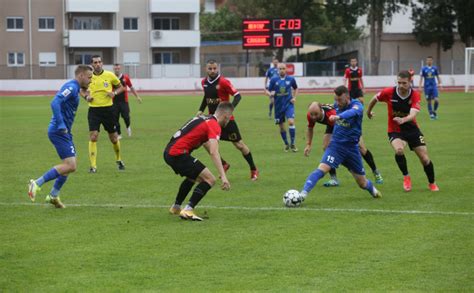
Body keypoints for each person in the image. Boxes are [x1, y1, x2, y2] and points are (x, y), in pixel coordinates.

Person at [299, 86, 382, 202]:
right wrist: (308, 144)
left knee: (362, 183)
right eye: (335, 100)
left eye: (339, 100)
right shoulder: (337, 105)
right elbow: (318, 116)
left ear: (347, 96)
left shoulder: (357, 105)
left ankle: (373, 190)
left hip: (352, 149)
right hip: (336, 146)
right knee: (321, 169)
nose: (337, 103)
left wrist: (339, 116)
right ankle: (302, 195)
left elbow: (353, 112)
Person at [28, 65, 93, 208]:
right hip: (59, 131)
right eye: (89, 77)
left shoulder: (76, 87)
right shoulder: (71, 87)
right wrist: (61, 124)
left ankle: (53, 195)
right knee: (71, 165)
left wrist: (87, 96)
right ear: (81, 75)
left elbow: (81, 91)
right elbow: (55, 102)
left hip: (64, 132)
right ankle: (36, 183)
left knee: (69, 165)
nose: (91, 80)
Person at [367, 70, 439, 192]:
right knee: (399, 150)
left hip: (412, 129)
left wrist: (404, 119)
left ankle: (432, 183)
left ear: (410, 82)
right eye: (399, 82)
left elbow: (413, 114)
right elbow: (375, 98)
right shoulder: (389, 92)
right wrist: (368, 112)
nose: (401, 86)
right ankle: (406, 177)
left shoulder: (415, 95)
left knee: (425, 159)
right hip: (395, 130)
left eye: (404, 83)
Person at [165, 102, 234, 221]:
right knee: (210, 179)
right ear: (225, 116)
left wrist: (221, 162)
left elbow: (206, 144)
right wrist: (223, 176)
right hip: (178, 154)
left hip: (169, 153)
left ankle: (176, 207)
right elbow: (213, 151)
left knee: (194, 177)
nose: (228, 121)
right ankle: (188, 209)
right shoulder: (214, 125)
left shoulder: (203, 118)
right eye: (229, 118)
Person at [197, 59, 259, 180]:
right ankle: (224, 164)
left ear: (218, 68)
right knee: (204, 142)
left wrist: (229, 110)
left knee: (239, 145)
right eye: (210, 68)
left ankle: (253, 169)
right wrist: (200, 110)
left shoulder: (224, 82)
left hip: (227, 121)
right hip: (213, 120)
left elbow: (238, 96)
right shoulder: (204, 82)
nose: (212, 70)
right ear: (206, 69)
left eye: (214, 68)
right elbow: (206, 97)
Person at [304, 102, 383, 187]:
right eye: (311, 114)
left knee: (362, 149)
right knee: (326, 147)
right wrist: (308, 144)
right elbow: (310, 128)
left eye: (316, 114)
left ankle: (376, 172)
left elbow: (346, 122)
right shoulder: (310, 115)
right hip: (332, 123)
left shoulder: (331, 113)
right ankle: (334, 179)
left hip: (349, 124)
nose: (313, 117)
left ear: (321, 110)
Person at [87, 55, 126, 173]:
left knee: (113, 138)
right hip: (94, 110)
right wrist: (86, 96)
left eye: (99, 62)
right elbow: (82, 90)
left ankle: (119, 160)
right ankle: (93, 166)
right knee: (93, 136)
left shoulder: (109, 75)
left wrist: (114, 92)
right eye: (95, 62)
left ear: (102, 63)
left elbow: (121, 87)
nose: (97, 64)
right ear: (92, 64)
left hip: (108, 110)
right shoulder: (88, 77)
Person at [268, 63, 298, 152]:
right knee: (281, 127)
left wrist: (294, 97)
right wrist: (271, 94)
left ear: (286, 69)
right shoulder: (273, 80)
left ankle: (292, 143)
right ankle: (286, 144)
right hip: (278, 107)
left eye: (283, 68)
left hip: (288, 104)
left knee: (291, 122)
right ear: (278, 70)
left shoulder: (291, 79)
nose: (282, 70)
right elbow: (269, 90)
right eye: (280, 69)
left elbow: (296, 88)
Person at [112, 63, 142, 139]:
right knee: (115, 118)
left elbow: (131, 87)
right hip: (113, 102)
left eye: (118, 68)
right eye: (115, 69)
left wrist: (137, 96)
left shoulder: (125, 78)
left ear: (120, 68)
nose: (117, 70)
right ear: (113, 69)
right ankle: (119, 134)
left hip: (124, 101)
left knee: (126, 117)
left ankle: (128, 127)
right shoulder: (111, 77)